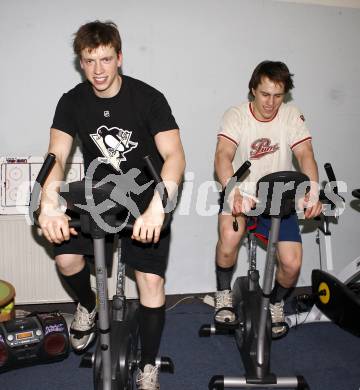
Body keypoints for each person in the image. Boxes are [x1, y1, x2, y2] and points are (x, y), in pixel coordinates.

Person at [38, 20, 185, 389]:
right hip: (98, 194)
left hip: (144, 197)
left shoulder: (147, 98)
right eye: (89, 61)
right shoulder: (72, 101)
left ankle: (148, 366)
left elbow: (175, 156)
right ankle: (89, 304)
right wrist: (48, 201)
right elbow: (56, 154)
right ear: (80, 62)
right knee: (66, 258)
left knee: (151, 282)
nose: (98, 70)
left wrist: (159, 205)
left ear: (119, 57)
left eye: (105, 59)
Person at [214, 61, 322, 338]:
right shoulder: (236, 115)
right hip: (241, 192)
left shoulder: (290, 114)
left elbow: (305, 154)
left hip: (279, 198)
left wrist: (312, 190)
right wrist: (231, 190)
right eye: (265, 94)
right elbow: (223, 155)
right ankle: (224, 293)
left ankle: (275, 303)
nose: (271, 102)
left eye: (278, 95)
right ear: (253, 90)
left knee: (292, 263)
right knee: (229, 238)